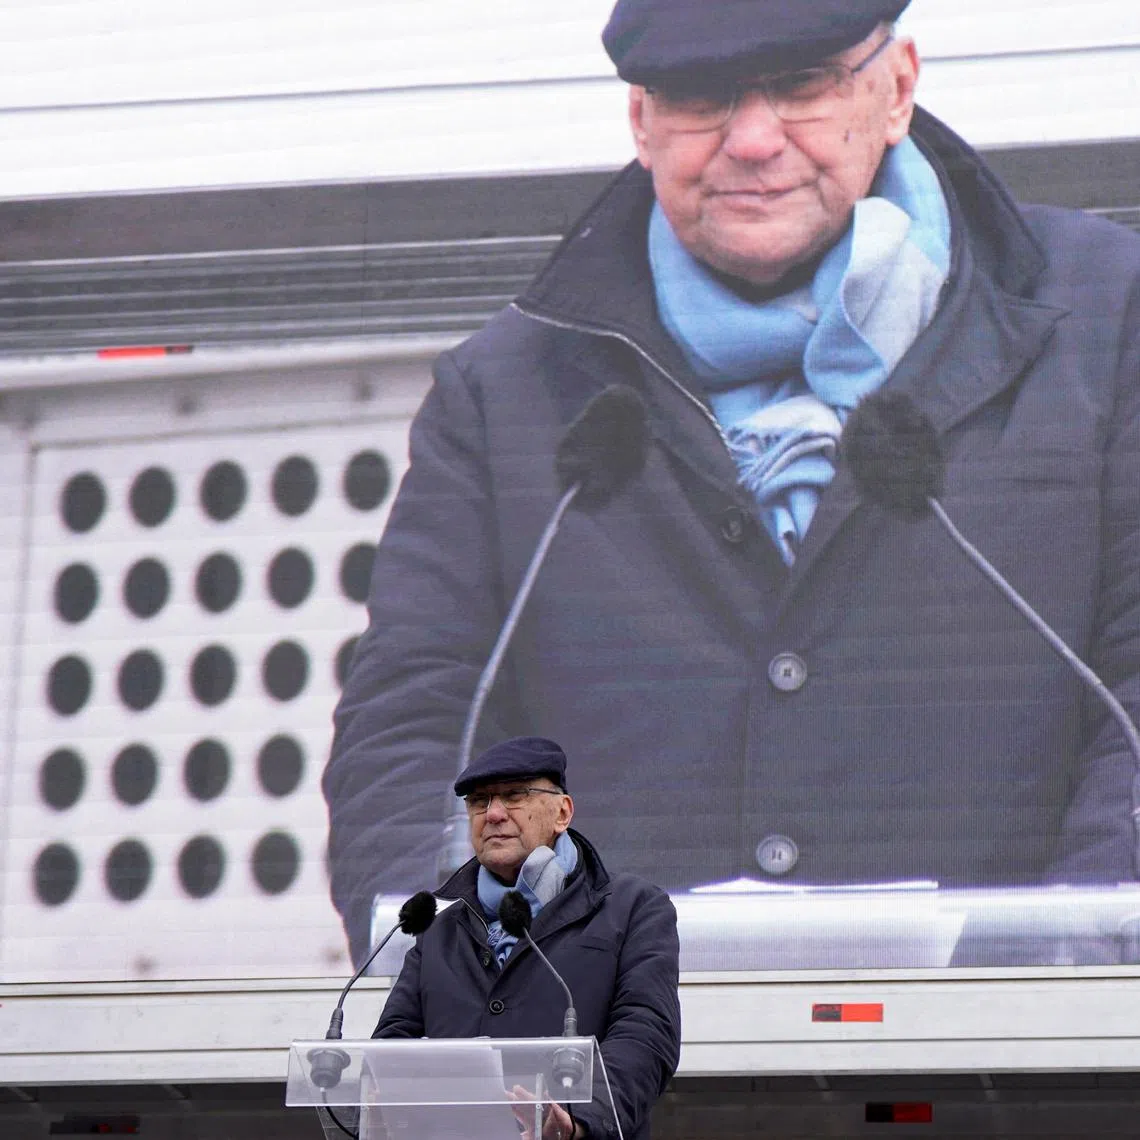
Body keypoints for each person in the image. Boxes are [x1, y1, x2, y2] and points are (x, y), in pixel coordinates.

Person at [324, 0, 1140, 968]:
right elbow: (412, 744)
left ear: (898, 90)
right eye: (703, 96)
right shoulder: (503, 398)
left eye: (802, 84)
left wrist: (1061, 983)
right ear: (641, 121)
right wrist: (495, 984)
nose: (753, 141)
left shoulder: (1105, 320)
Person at [372, 736, 682, 1140]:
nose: (494, 813)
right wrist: (381, 1106)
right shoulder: (438, 930)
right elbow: (393, 1043)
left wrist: (579, 1118)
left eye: (514, 795)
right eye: (479, 801)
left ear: (562, 812)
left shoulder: (633, 908)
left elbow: (645, 1033)